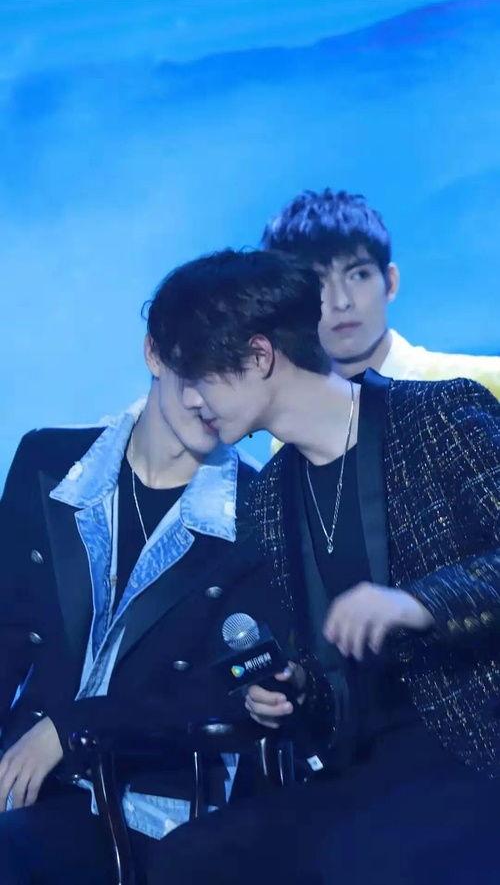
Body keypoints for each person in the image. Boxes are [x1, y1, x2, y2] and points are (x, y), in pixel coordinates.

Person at [148, 247, 500, 884]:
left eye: (197, 375)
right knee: (186, 860)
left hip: (476, 750)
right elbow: (320, 668)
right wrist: (293, 687)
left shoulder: (437, 416)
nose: (192, 400)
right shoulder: (268, 496)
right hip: (357, 768)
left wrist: (417, 603)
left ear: (259, 356)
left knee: (361, 857)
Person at [0, 285, 291, 883]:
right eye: (200, 368)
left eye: (233, 371)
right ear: (154, 353)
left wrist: (78, 726)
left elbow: (240, 680)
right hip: (22, 777)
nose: (211, 397)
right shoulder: (48, 462)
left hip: (156, 806)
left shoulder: (258, 509)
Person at [261, 188, 500, 394]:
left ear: (391, 282)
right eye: (316, 283)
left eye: (359, 275)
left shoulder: (486, 384)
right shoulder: (290, 428)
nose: (342, 301)